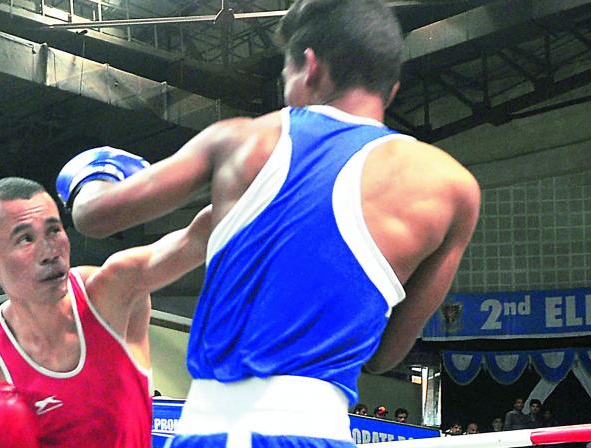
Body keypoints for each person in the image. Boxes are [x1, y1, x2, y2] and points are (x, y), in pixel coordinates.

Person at [59, 0, 481, 446]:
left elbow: (95, 216)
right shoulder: (454, 189)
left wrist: (93, 173)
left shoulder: (244, 141)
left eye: (285, 77)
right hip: (322, 433)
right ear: (391, 89)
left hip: (209, 431)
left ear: (310, 67)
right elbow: (384, 356)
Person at [0, 178, 211, 448]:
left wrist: (250, 165)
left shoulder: (111, 292)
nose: (49, 252)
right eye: (25, 239)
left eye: (54, 230)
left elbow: (197, 238)